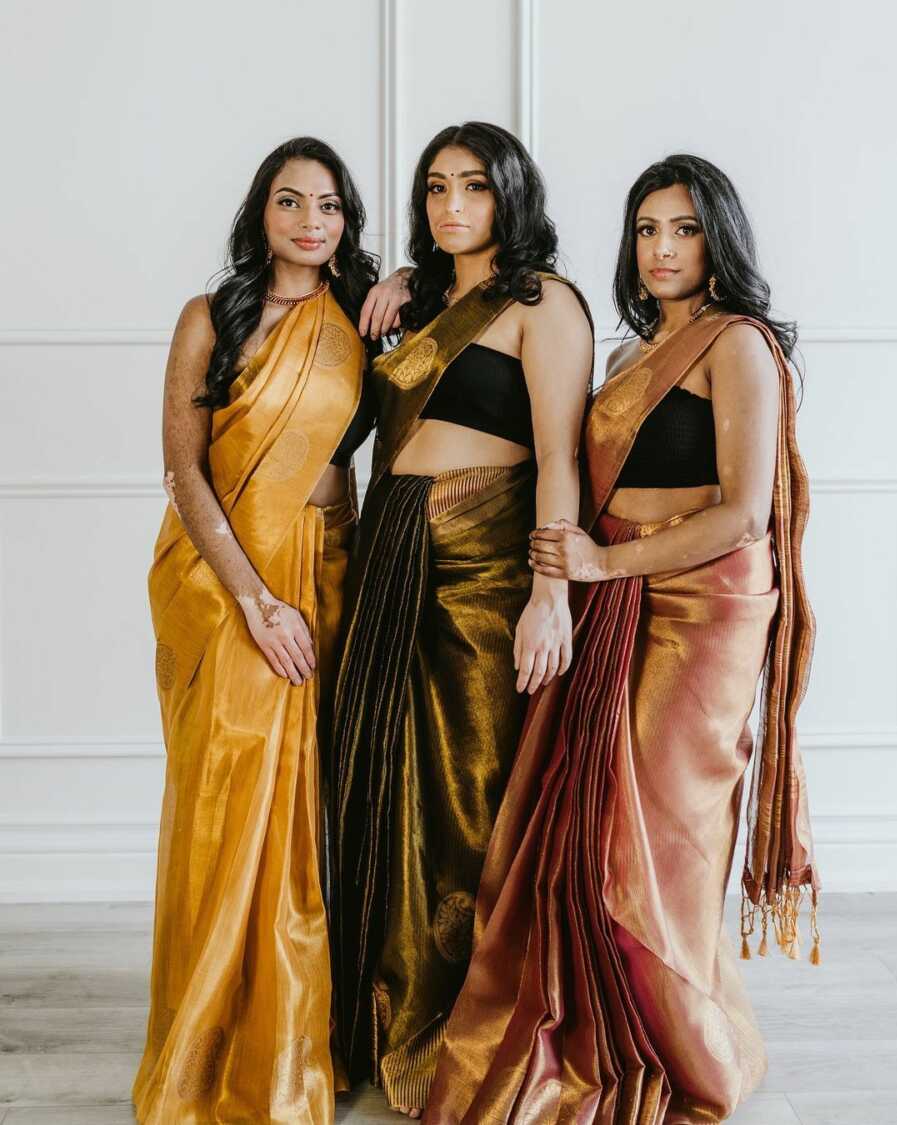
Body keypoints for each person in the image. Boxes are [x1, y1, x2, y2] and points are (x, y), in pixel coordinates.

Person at [425, 154, 818, 1125]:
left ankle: (696, 1066)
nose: (661, 248)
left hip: (703, 611)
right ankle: (609, 1039)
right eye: (646, 228)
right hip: (616, 598)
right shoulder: (626, 353)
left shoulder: (740, 345)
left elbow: (741, 518)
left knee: (653, 856)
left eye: (683, 228)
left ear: (718, 236)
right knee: (581, 839)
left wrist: (598, 569)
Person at [133, 136, 408, 1124]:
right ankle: (215, 1047)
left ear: (346, 222)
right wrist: (253, 599)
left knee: (315, 807)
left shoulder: (367, 319)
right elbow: (185, 473)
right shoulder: (211, 318)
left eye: (328, 205)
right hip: (226, 583)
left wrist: (406, 279)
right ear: (261, 213)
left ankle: (306, 1039)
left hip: (335, 569)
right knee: (232, 792)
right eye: (289, 202)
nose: (307, 221)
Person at [330, 121, 594, 1117]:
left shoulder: (544, 304)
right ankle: (384, 1016)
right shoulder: (423, 300)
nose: (452, 207)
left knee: (474, 791)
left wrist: (549, 592)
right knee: (387, 786)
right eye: (436, 188)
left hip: (488, 570)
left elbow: (560, 460)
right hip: (391, 556)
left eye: (474, 189)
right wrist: (403, 279)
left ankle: (478, 1028)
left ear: (510, 196)